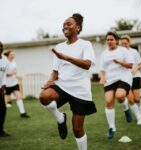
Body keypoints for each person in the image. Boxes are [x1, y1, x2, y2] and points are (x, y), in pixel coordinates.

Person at [39, 13, 97, 150]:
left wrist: (66, 57)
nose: (65, 26)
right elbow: (55, 71)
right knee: (44, 96)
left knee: (77, 129)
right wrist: (49, 81)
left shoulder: (85, 44)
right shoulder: (59, 47)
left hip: (80, 90)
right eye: (64, 24)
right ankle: (60, 118)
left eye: (69, 23)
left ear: (77, 28)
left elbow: (88, 64)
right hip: (62, 85)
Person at [99, 31, 133, 139]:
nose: (109, 41)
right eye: (107, 40)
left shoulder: (123, 50)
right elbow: (102, 70)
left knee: (119, 96)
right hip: (110, 80)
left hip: (124, 77)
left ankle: (126, 108)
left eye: (111, 39)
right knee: (109, 102)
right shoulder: (104, 54)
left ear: (116, 40)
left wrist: (120, 62)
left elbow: (130, 65)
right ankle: (112, 128)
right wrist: (102, 78)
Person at [120, 35, 141, 125]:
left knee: (137, 99)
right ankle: (139, 118)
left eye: (125, 43)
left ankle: (139, 107)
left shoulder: (134, 52)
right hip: (125, 78)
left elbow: (140, 64)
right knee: (131, 99)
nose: (124, 45)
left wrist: (135, 68)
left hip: (136, 77)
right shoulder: (119, 53)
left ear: (129, 43)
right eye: (122, 44)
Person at [4, 50, 29, 118]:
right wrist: (12, 73)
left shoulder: (14, 62)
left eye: (14, 54)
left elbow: (14, 73)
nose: (13, 55)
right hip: (7, 84)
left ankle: (22, 113)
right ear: (8, 55)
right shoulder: (5, 62)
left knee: (19, 96)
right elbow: (4, 74)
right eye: (12, 54)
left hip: (14, 83)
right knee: (5, 100)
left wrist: (17, 76)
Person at [0, 41, 11, 137]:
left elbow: (4, 74)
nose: (0, 48)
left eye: (1, 46)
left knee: (3, 109)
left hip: (1, 88)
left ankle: (1, 130)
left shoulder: (4, 59)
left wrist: (3, 86)